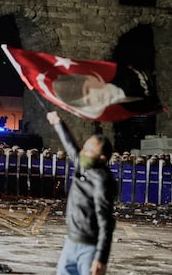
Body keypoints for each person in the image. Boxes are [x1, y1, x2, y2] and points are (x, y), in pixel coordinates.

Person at [46, 111, 116, 275]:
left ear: (103, 158)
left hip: (89, 249)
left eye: (90, 150)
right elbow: (71, 146)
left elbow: (106, 221)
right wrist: (57, 122)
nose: (84, 152)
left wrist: (101, 258)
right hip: (71, 242)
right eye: (85, 147)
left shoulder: (102, 181)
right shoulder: (83, 165)